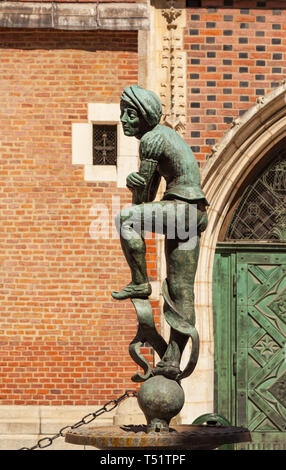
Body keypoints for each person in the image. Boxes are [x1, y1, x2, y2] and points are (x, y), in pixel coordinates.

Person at [112, 85, 208, 380]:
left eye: (128, 113)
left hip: (182, 209)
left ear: (141, 115)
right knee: (181, 289)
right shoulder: (163, 138)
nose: (123, 119)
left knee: (126, 218)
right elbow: (148, 193)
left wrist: (134, 184)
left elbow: (139, 204)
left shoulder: (151, 139)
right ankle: (172, 359)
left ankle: (140, 283)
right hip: (194, 213)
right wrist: (138, 184)